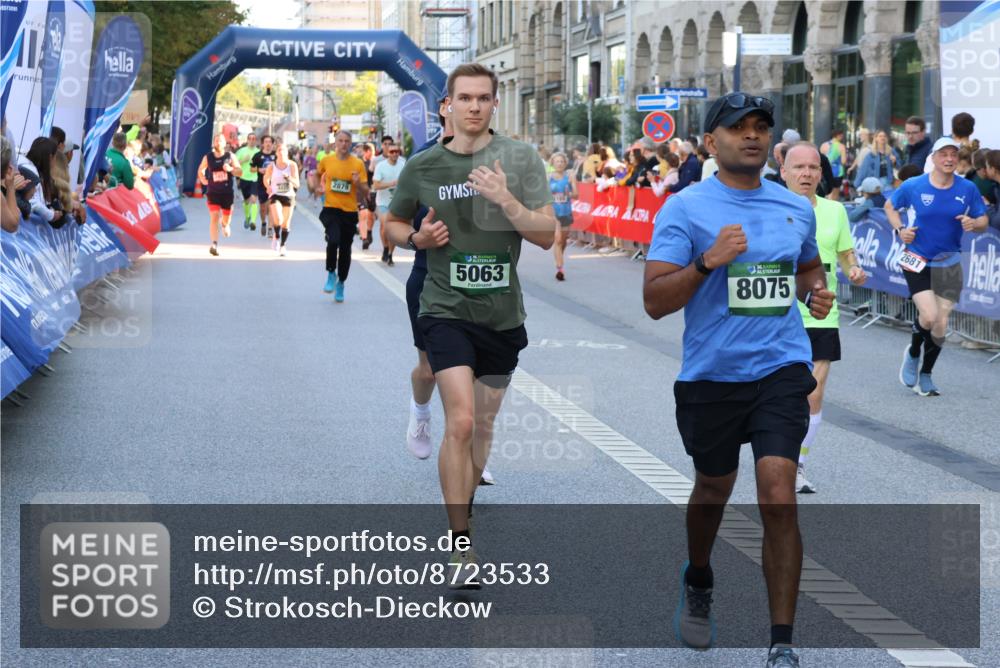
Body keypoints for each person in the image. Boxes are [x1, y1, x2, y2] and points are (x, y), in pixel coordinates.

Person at [642, 91, 835, 667]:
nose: (750, 136)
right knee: (713, 491)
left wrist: (814, 290)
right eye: (736, 128)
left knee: (778, 494)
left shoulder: (794, 207)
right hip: (712, 376)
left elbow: (805, 266)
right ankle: (699, 575)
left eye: (760, 127)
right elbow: (654, 301)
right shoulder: (686, 209)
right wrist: (707, 262)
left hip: (780, 369)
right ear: (710, 142)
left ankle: (781, 643)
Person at [385, 62, 555, 588]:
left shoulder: (521, 159)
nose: (474, 106)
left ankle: (467, 500)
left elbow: (548, 234)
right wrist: (416, 240)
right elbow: (391, 224)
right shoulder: (424, 165)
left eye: (484, 98)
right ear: (448, 105)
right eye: (465, 98)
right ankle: (461, 548)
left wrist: (507, 200)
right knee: (459, 421)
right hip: (445, 308)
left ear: (493, 104)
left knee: (482, 425)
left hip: (502, 314)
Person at [782, 142, 867, 494]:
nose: (806, 174)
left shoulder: (834, 211)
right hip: (780, 314)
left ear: (820, 174)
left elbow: (846, 253)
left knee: (813, 394)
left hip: (821, 312)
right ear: (784, 172)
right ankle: (777, 458)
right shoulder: (771, 209)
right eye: (799, 168)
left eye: (813, 168)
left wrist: (855, 269)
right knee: (782, 396)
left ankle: (798, 465)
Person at [887, 137, 988, 395]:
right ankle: (912, 353)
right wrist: (900, 230)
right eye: (944, 154)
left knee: (940, 324)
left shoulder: (967, 189)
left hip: (950, 261)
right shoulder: (914, 185)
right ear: (933, 158)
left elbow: (983, 220)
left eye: (954, 154)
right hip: (916, 259)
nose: (949, 159)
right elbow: (890, 206)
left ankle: (927, 374)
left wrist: (973, 224)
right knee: (929, 316)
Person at [317, 130, 369, 302]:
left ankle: (341, 283)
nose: (344, 144)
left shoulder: (358, 164)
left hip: (349, 212)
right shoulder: (326, 160)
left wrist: (357, 184)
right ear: (335, 143)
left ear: (351, 143)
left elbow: (366, 191)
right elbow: (317, 174)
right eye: (341, 140)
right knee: (333, 240)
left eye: (347, 141)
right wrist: (318, 186)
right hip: (331, 208)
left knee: (345, 249)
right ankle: (331, 272)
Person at [196, 133, 242, 256]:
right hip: (213, 192)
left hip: (227, 193)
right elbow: (200, 169)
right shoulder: (208, 157)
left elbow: (240, 172)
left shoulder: (230, 156)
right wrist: (203, 180)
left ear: (224, 143)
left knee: (226, 218)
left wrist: (231, 169)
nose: (218, 143)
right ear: (213, 143)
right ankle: (214, 244)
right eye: (216, 141)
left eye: (220, 141)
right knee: (214, 217)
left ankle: (225, 224)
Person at [263, 139, 299, 257]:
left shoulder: (292, 165)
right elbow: (266, 179)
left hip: (289, 195)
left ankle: (283, 245)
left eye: (283, 150)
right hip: (275, 194)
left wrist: (289, 178)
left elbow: (297, 184)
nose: (281, 152)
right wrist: (268, 186)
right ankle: (276, 237)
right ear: (276, 153)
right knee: (278, 218)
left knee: (286, 223)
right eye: (279, 150)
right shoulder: (272, 166)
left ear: (287, 152)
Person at [372, 142, 406, 266]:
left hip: (397, 203)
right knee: (384, 227)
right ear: (387, 153)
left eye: (397, 151)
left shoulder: (403, 165)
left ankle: (390, 254)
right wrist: (392, 183)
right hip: (383, 202)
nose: (394, 154)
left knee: (392, 230)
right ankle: (385, 247)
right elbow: (375, 185)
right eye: (392, 152)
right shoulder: (381, 166)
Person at [25, 137, 67, 226]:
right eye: (55, 157)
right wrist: (52, 215)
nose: (55, 162)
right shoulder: (31, 172)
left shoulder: (38, 173)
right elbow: (33, 203)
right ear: (50, 157)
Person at [549, 151, 577, 281]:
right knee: (558, 240)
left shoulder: (570, 176)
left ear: (565, 163)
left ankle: (559, 258)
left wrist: (569, 194)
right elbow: (542, 195)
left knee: (563, 241)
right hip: (553, 213)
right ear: (553, 163)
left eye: (561, 161)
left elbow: (577, 195)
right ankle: (560, 268)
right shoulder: (548, 177)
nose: (559, 164)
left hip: (566, 211)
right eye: (557, 161)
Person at [250, 135, 276, 238]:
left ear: (272, 144)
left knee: (271, 206)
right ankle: (264, 223)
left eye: (270, 142)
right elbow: (251, 169)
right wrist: (258, 170)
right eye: (266, 142)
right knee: (263, 208)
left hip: (273, 185)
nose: (268, 144)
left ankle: (270, 229)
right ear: (262, 144)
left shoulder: (276, 156)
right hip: (261, 185)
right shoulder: (257, 156)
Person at [235, 132, 260, 231]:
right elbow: (235, 165)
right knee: (246, 201)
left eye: (254, 139)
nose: (252, 140)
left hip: (255, 179)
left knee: (254, 199)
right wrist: (243, 161)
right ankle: (247, 217)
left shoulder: (258, 152)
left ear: (256, 141)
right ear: (247, 140)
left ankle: (253, 222)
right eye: (250, 138)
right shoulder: (241, 151)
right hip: (244, 178)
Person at [820, 128, 847, 200]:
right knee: (835, 195)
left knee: (827, 192)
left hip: (825, 171)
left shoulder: (824, 145)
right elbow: (843, 161)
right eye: (842, 135)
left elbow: (820, 159)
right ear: (838, 135)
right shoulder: (841, 146)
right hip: (837, 173)